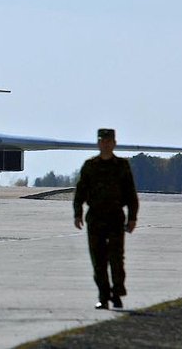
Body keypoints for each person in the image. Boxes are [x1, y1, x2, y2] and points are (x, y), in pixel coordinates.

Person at [73, 128, 138, 309]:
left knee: (116, 258)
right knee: (98, 260)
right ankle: (103, 295)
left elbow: (131, 194)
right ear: (98, 143)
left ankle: (117, 293)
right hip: (95, 217)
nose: (105, 144)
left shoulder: (122, 166)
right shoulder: (90, 166)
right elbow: (80, 191)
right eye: (102, 141)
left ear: (114, 143)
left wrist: (132, 218)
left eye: (108, 141)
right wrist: (77, 213)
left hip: (115, 217)